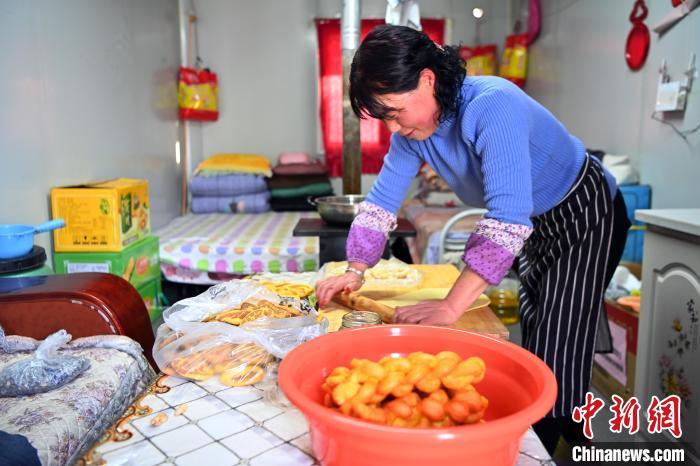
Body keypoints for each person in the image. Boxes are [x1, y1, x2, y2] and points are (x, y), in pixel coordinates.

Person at [315, 24, 631, 453]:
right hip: (537, 218)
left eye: (394, 110)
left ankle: (544, 447)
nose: (394, 126)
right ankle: (569, 426)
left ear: (427, 79)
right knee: (537, 319)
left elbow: (505, 218)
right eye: (384, 116)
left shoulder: (491, 105)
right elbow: (380, 205)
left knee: (557, 340)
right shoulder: (412, 136)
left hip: (586, 207)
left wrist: (450, 305)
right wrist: (355, 269)